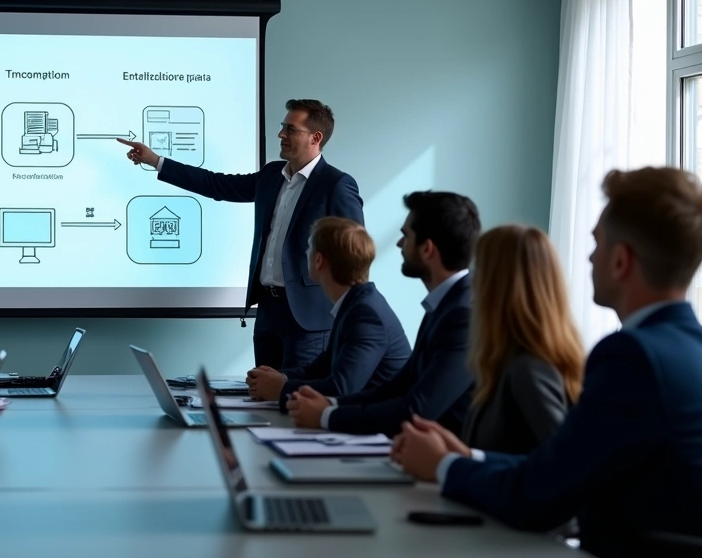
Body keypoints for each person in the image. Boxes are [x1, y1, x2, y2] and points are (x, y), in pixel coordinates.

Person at [392, 168, 702, 556]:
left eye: (597, 242)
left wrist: (442, 466)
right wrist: (470, 457)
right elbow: (560, 469)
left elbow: (537, 497)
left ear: (621, 261)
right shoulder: (687, 348)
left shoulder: (631, 356)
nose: (589, 256)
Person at [118, 99, 364, 369]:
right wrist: (155, 161)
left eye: (291, 129)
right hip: (268, 313)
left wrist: (352, 320)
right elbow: (218, 185)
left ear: (315, 138)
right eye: (283, 127)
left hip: (309, 318)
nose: (281, 134)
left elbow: (353, 253)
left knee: (297, 393)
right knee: (264, 390)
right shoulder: (272, 175)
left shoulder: (336, 184)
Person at [288, 191, 479, 437]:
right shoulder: (445, 305)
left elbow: (416, 409)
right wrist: (330, 405)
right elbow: (396, 388)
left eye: (406, 236)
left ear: (427, 249)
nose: (399, 244)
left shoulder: (463, 316)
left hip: (444, 454)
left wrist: (325, 416)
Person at [244, 217, 409, 405]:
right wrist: (279, 377)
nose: (305, 252)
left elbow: (341, 388)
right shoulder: (354, 304)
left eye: (309, 247)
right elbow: (319, 368)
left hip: (376, 420)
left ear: (318, 260)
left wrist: (281, 389)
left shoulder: (365, 314)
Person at [458, 224, 584, 453]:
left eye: (480, 270)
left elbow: (569, 462)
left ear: (500, 287)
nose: (472, 281)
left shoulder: (528, 371)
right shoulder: (505, 363)